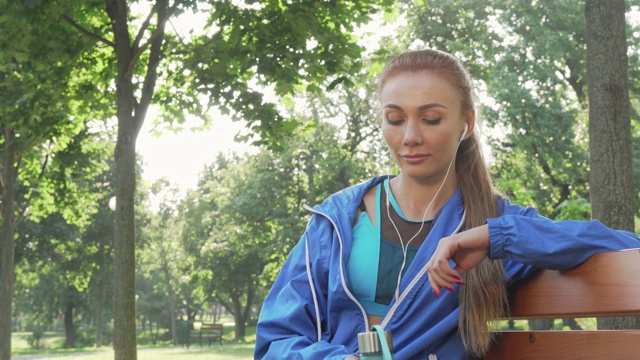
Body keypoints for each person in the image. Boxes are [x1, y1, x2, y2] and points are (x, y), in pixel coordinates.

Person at [254, 49, 640, 359]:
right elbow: (277, 340)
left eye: (431, 119)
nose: (409, 137)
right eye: (394, 118)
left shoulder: (494, 223)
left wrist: (496, 236)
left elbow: (626, 248)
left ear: (466, 124)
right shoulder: (338, 218)